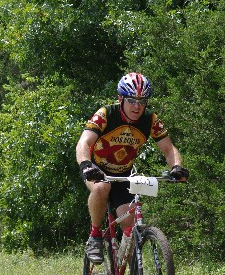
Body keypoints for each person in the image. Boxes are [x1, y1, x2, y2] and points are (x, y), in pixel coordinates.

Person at [75, 72, 189, 264]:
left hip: (124, 174)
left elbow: (169, 148)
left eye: (142, 101)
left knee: (130, 227)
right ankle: (95, 236)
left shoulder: (149, 119)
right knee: (102, 188)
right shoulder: (106, 114)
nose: (137, 106)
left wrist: (177, 167)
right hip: (97, 170)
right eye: (132, 101)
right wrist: (86, 165)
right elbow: (84, 143)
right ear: (121, 98)